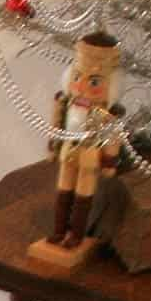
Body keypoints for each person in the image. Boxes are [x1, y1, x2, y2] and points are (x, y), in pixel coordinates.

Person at [49, 32, 125, 247]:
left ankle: (76, 234)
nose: (81, 86)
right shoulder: (66, 103)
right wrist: (54, 144)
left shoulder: (109, 115)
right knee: (63, 188)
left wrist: (110, 160)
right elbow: (58, 122)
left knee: (84, 192)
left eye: (93, 81)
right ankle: (58, 229)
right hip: (68, 149)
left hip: (90, 155)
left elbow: (112, 138)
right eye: (76, 77)